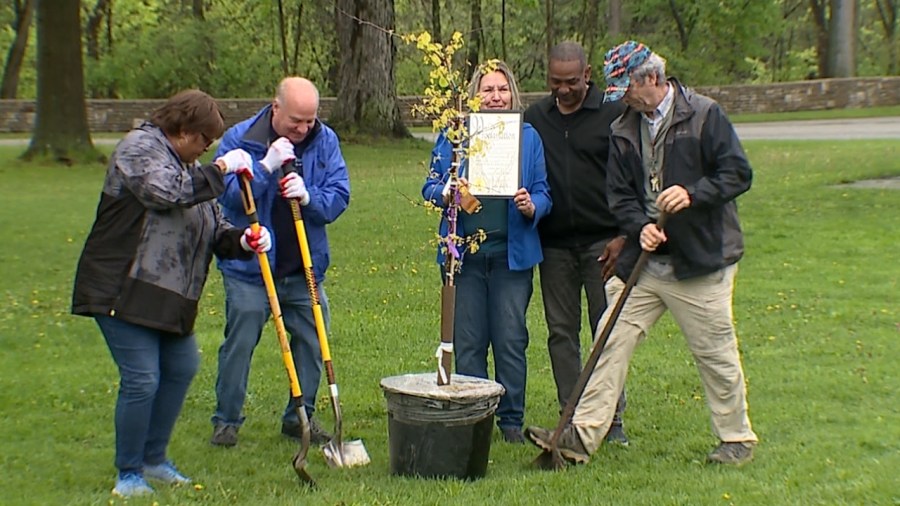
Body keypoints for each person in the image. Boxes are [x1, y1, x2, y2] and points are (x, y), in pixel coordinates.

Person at [525, 41, 758, 465]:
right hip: (646, 263)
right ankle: (581, 437)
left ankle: (736, 438)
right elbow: (620, 195)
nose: (622, 100)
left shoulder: (705, 115)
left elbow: (738, 174)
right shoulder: (625, 126)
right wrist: (640, 227)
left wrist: (691, 193)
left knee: (714, 349)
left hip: (700, 261)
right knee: (609, 338)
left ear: (651, 79)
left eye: (627, 90)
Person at [72, 90, 270, 498]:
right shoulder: (140, 148)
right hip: (121, 286)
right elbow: (165, 193)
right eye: (203, 140)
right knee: (142, 378)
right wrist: (220, 168)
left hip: (170, 296)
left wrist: (244, 242)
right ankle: (128, 472)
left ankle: (153, 458)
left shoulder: (189, 166)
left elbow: (212, 226)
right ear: (182, 130)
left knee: (181, 367)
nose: (206, 148)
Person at [210, 77, 350, 447]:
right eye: (295, 121)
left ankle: (299, 416)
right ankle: (226, 421)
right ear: (276, 108)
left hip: (304, 268)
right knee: (240, 341)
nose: (303, 129)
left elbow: (339, 195)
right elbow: (228, 200)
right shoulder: (241, 139)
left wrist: (309, 196)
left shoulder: (325, 141)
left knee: (313, 340)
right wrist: (265, 169)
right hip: (250, 269)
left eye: (309, 120)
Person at [422, 60, 551, 444]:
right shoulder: (455, 136)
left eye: (501, 89)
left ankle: (510, 421)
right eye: (487, 90)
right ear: (474, 96)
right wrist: (446, 192)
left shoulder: (528, 138)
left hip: (511, 256)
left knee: (511, 337)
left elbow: (545, 192)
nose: (495, 96)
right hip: (464, 258)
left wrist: (533, 206)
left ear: (513, 93)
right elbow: (429, 187)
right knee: (470, 339)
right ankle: (475, 416)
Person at [523, 41, 631, 445]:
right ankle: (569, 414)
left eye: (571, 81)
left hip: (604, 243)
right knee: (561, 332)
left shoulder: (613, 114)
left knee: (606, 331)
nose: (563, 89)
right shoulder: (536, 118)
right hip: (554, 245)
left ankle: (609, 420)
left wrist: (623, 234)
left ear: (587, 75)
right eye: (555, 81)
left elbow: (631, 176)